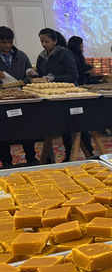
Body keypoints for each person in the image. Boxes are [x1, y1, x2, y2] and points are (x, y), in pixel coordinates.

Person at [37, 28, 94, 160]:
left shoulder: (64, 54)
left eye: (47, 41)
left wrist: (54, 78)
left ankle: (89, 153)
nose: (44, 44)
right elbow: (41, 74)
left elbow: (73, 75)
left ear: (55, 41)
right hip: (54, 97)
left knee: (79, 125)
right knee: (64, 127)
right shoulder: (42, 56)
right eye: (42, 41)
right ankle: (69, 154)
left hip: (70, 94)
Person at [0, 26, 38, 167]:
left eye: (10, 42)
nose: (7, 45)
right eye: (3, 42)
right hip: (2, 101)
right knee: (3, 132)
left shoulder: (21, 55)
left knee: (26, 130)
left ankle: (31, 158)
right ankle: (6, 161)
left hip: (22, 99)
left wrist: (26, 79)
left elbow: (30, 76)